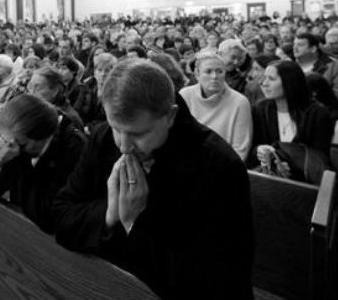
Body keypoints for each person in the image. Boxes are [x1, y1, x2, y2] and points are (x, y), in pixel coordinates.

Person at [52, 59, 253, 299]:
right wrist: (109, 214)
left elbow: (219, 278)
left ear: (170, 116)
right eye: (116, 128)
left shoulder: (219, 165)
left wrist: (133, 223)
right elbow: (61, 214)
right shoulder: (103, 137)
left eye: (138, 134)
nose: (124, 147)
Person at [0, 94, 86, 233]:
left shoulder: (74, 149)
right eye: (6, 140)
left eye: (20, 143)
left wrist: (19, 163)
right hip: (17, 229)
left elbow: (48, 216)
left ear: (40, 138)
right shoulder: (17, 139)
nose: (11, 147)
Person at [251, 60, 333, 184]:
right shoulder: (260, 109)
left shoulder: (317, 113)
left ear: (290, 83)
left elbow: (319, 157)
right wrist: (260, 150)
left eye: (271, 79)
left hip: (305, 181)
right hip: (271, 176)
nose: (264, 83)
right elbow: (253, 146)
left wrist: (289, 164)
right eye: (264, 78)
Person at [179, 52, 253, 161]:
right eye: (208, 71)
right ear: (197, 74)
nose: (214, 77)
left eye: (219, 71)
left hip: (223, 167)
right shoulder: (185, 95)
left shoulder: (239, 102)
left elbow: (240, 149)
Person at [28, 66, 84, 131]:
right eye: (30, 86)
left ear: (55, 90)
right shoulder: (33, 108)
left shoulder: (69, 120)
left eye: (37, 87)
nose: (31, 92)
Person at [293, 33, 338, 100]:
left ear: (313, 49)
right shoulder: (291, 67)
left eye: (300, 45)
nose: (295, 48)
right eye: (294, 44)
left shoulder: (335, 66)